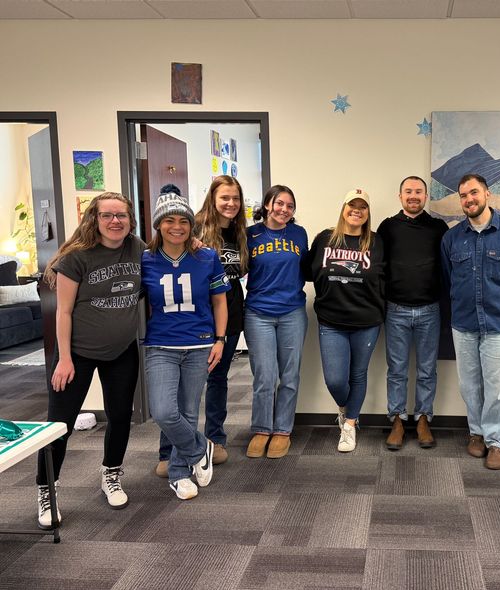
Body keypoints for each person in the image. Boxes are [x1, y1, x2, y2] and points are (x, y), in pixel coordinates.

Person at [36, 192, 144, 529]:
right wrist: (64, 359)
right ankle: (46, 490)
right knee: (59, 426)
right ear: (93, 219)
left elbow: (172, 250)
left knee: (121, 417)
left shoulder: (139, 248)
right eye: (108, 215)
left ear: (130, 219)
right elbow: (63, 312)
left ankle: (111, 474)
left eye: (122, 215)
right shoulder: (77, 257)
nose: (115, 221)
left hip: (122, 351)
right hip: (76, 354)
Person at [141, 186, 229, 500]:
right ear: (158, 225)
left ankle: (179, 473)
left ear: (192, 225)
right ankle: (198, 449)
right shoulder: (146, 260)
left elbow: (220, 302)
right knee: (164, 411)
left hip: (200, 343)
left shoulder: (207, 256)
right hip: (161, 345)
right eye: (169, 220)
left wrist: (220, 339)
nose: (177, 226)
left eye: (183, 221)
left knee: (189, 412)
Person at [155, 176, 247, 476]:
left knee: (218, 380)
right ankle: (170, 450)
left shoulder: (242, 232)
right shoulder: (193, 229)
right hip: (193, 321)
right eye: (224, 198)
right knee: (177, 391)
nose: (230, 203)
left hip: (229, 315)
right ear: (213, 198)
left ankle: (215, 438)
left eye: (235, 198)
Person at [440, 174, 500, 470]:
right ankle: (476, 433)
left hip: (499, 324)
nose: (469, 199)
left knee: (499, 388)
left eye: (474, 193)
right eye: (464, 195)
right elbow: (447, 278)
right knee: (469, 386)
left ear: (488, 194)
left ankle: (497, 442)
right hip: (464, 323)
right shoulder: (452, 238)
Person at [305, 189, 385, 452]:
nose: (357, 210)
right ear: (344, 208)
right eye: (353, 205)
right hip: (331, 320)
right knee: (336, 380)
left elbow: (387, 276)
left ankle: (349, 425)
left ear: (368, 213)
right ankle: (346, 409)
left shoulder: (376, 242)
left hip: (367, 321)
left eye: (363, 207)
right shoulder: (325, 239)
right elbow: (306, 271)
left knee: (358, 374)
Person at [376, 176, 448, 450]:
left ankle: (422, 419)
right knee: (397, 370)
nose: (413, 196)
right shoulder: (387, 227)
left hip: (430, 309)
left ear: (426, 196)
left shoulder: (438, 228)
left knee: (427, 370)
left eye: (418, 191)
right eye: (408, 191)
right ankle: (397, 419)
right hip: (396, 310)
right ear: (400, 196)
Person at [244, 185, 308, 459]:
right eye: (279, 203)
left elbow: (306, 267)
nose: (284, 209)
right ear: (268, 204)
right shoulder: (250, 234)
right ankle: (261, 428)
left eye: (290, 206)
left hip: (292, 311)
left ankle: (282, 430)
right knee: (265, 375)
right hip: (258, 312)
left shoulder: (299, 233)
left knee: (290, 374)